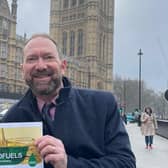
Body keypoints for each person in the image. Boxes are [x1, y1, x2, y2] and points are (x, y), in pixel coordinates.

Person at [2, 34, 136, 168]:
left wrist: (68, 164)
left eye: (48, 57)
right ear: (22, 69)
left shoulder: (102, 105)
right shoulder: (11, 119)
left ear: (63, 66)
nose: (41, 66)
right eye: (32, 59)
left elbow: (126, 164)